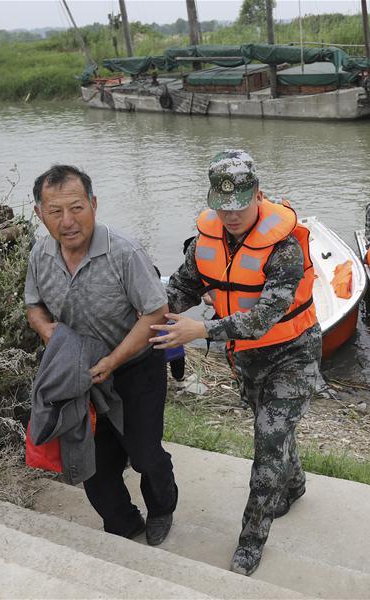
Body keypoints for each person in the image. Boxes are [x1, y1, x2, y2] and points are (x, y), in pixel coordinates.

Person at [150, 150, 322, 577]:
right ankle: (295, 486)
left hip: (292, 354)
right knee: (274, 430)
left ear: (258, 195)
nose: (230, 215)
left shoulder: (283, 248)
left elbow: (265, 317)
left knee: (267, 446)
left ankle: (250, 542)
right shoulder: (205, 241)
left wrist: (200, 331)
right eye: (221, 206)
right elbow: (182, 289)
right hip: (245, 358)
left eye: (240, 205)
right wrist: (142, 317)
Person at [24, 164, 177, 546]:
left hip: (135, 370)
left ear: (93, 204)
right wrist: (46, 330)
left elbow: (156, 313)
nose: (67, 221)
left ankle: (162, 507)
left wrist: (112, 361)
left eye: (76, 208)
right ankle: (124, 523)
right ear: (39, 214)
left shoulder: (124, 253)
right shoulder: (40, 254)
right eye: (55, 211)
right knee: (89, 462)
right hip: (81, 376)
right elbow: (34, 306)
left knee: (144, 454)